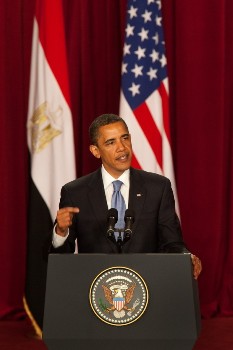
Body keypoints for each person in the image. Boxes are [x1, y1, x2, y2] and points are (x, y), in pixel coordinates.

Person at [50, 113, 202, 279]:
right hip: (95, 288)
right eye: (111, 142)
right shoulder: (75, 192)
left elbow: (172, 243)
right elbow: (60, 260)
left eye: (125, 138)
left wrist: (186, 256)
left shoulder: (158, 187)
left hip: (148, 285)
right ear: (95, 151)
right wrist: (60, 231)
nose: (122, 147)